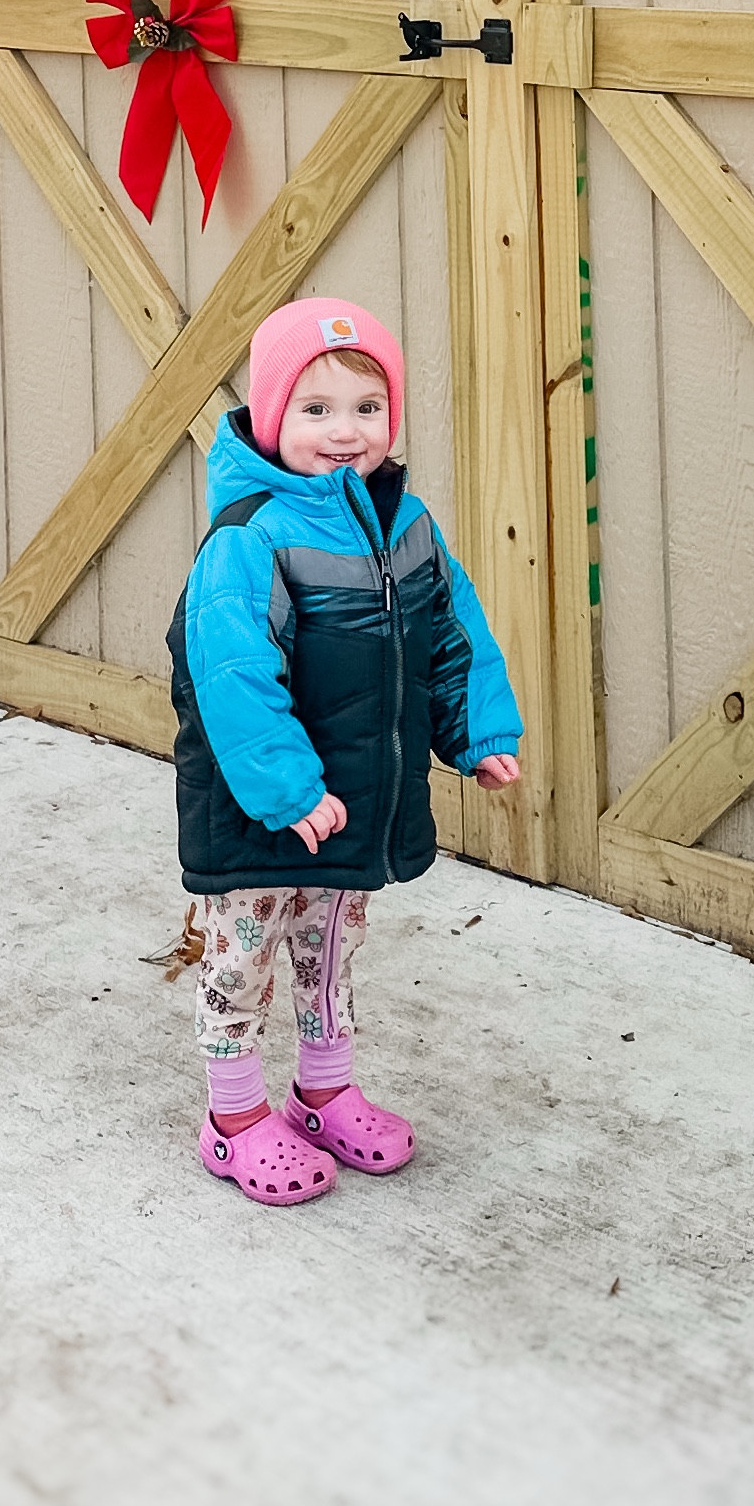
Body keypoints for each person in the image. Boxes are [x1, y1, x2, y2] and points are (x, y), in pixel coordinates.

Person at [168, 295, 522, 1207]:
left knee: (331, 946)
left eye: (367, 409)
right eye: (316, 410)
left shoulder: (407, 526)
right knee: (245, 954)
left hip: (352, 799)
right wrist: (286, 789)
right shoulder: (252, 538)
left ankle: (323, 1091)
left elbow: (452, 636)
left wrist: (478, 732)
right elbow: (233, 673)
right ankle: (234, 1118)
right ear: (272, 412)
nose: (344, 432)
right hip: (264, 805)